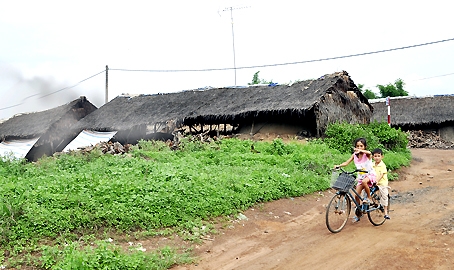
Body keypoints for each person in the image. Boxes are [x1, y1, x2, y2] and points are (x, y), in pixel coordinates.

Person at [334, 137, 377, 222]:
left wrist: (361, 151)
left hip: (370, 175)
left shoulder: (367, 155)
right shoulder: (354, 155)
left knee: (365, 182)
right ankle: (359, 212)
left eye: (361, 146)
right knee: (356, 195)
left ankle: (369, 198)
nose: (359, 148)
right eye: (357, 146)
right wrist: (339, 165)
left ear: (365, 146)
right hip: (361, 178)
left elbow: (369, 152)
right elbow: (346, 162)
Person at [372, 148, 391, 219]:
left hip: (382, 183)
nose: (377, 158)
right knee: (369, 194)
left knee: (384, 196)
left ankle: (386, 212)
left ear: (382, 156)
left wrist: (377, 181)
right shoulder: (372, 164)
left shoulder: (383, 165)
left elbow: (382, 174)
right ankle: (375, 205)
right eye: (375, 156)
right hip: (373, 182)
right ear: (373, 157)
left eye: (378, 156)